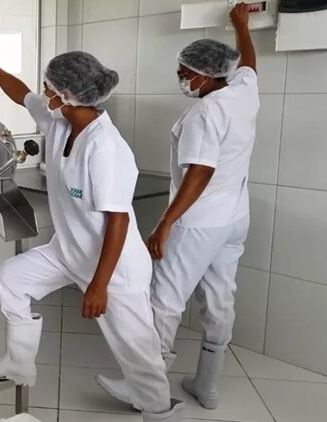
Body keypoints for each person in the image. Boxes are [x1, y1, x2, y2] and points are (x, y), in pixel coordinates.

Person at [0, 46, 183, 422]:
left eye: (48, 88)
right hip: (70, 251)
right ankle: (18, 363)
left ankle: (158, 411)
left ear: (67, 96)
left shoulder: (105, 148)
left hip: (115, 268)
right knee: (12, 278)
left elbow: (118, 222)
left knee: (139, 353)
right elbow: (20, 93)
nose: (43, 93)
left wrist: (98, 285)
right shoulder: (60, 122)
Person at [96, 4, 258, 411]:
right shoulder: (242, 91)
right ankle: (208, 386)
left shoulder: (205, 112)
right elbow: (249, 63)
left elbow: (199, 172)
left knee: (164, 300)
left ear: (207, 74)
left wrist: (166, 223)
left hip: (199, 221)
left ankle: (145, 389)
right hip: (235, 217)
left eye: (185, 73)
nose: (181, 79)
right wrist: (242, 26)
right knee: (220, 298)